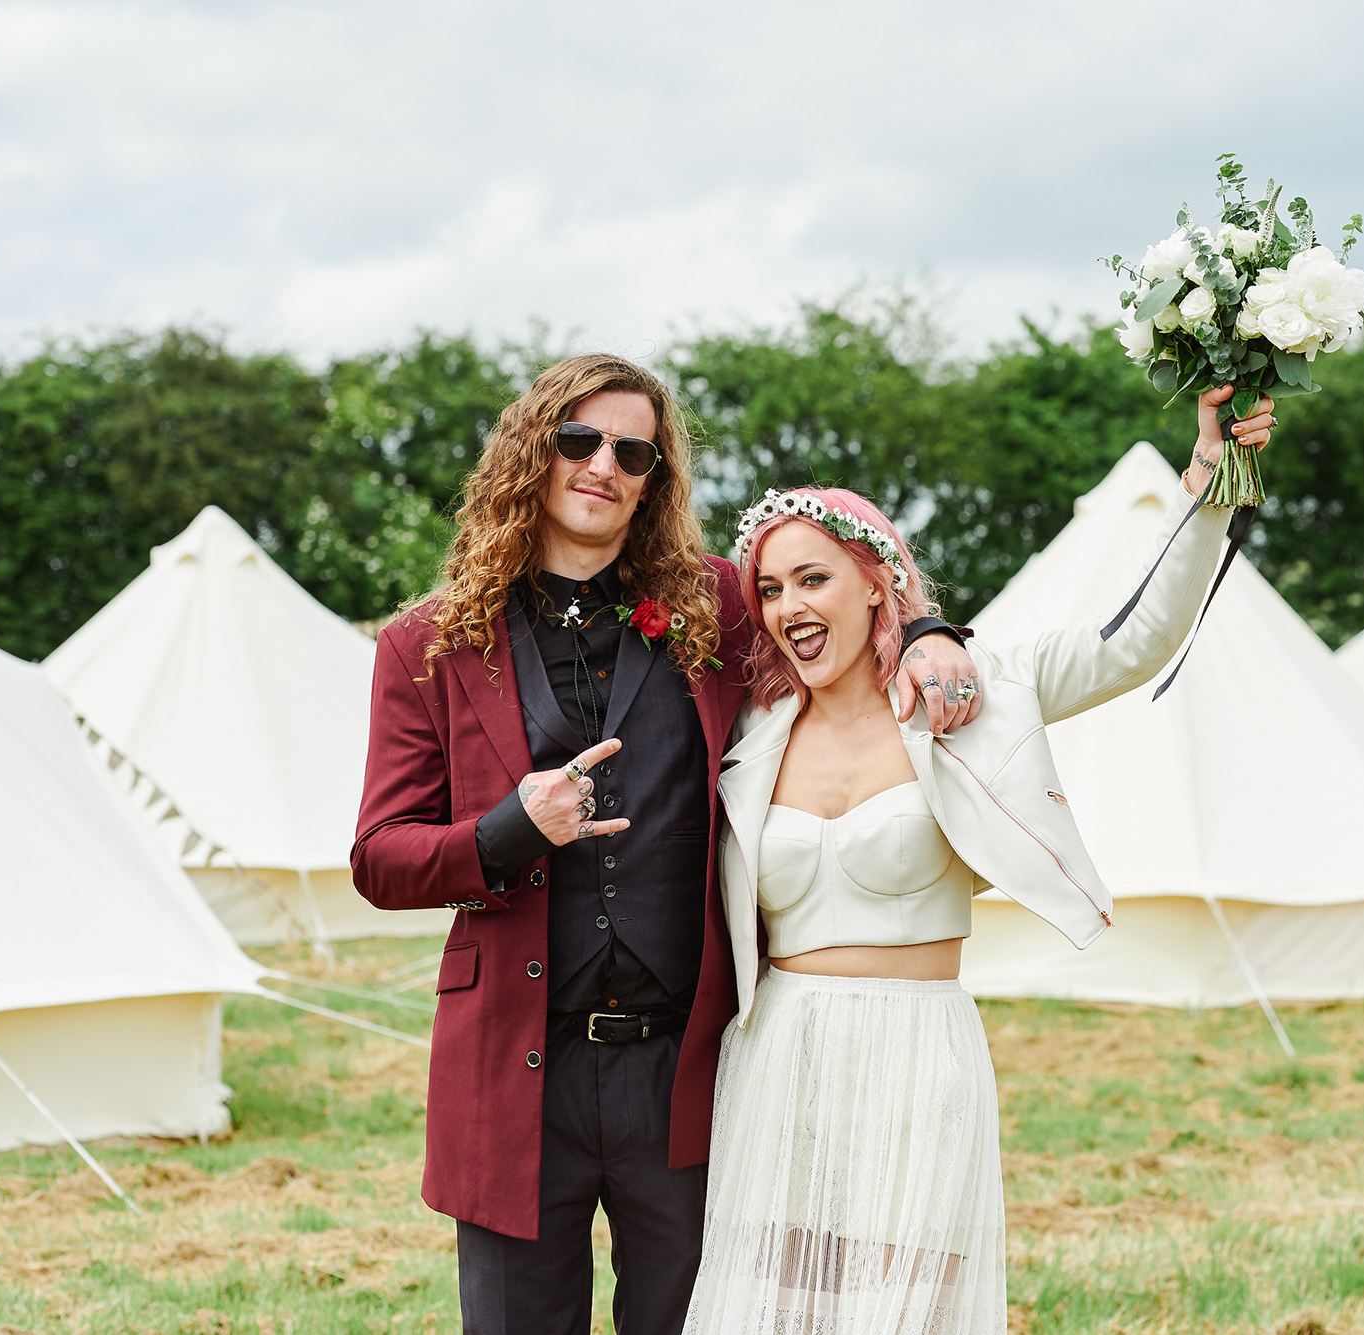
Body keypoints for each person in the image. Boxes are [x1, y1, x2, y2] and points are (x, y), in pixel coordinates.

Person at [350, 353, 983, 1335]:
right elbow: (380, 858)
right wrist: (511, 828)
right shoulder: (428, 644)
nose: (603, 464)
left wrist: (935, 628)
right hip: (517, 1070)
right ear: (534, 452)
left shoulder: (721, 605)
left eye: (632, 451)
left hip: (685, 1071)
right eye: (579, 440)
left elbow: (841, 587)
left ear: (654, 478)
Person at [685, 385, 1275, 1334]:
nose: (788, 604)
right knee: (775, 1309)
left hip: (916, 1052)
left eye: (813, 578)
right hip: (778, 1055)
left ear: (877, 581)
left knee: (900, 1310)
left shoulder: (976, 692)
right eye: (770, 588)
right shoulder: (751, 729)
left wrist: (1209, 475)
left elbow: (1140, 639)